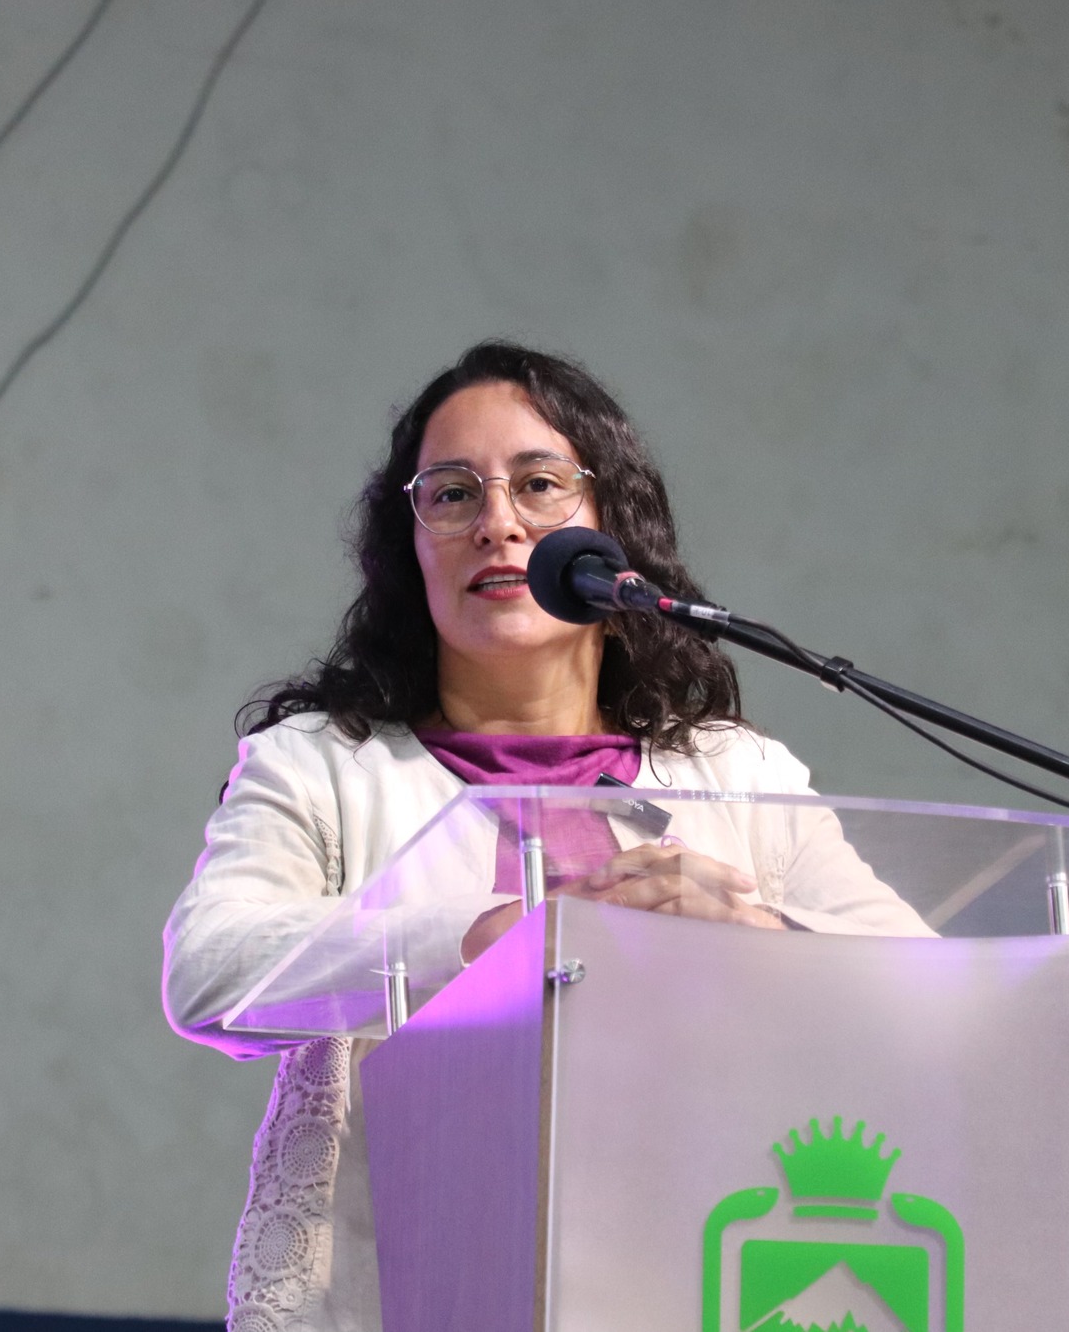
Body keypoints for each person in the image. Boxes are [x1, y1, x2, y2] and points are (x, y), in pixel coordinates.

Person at [162, 341, 929, 1332]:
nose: (498, 523)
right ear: (410, 546)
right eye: (451, 494)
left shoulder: (735, 775)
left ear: (614, 532)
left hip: (677, 1284)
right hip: (400, 1295)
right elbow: (210, 970)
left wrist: (757, 936)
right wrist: (494, 935)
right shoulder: (322, 766)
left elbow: (924, 988)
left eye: (538, 484)